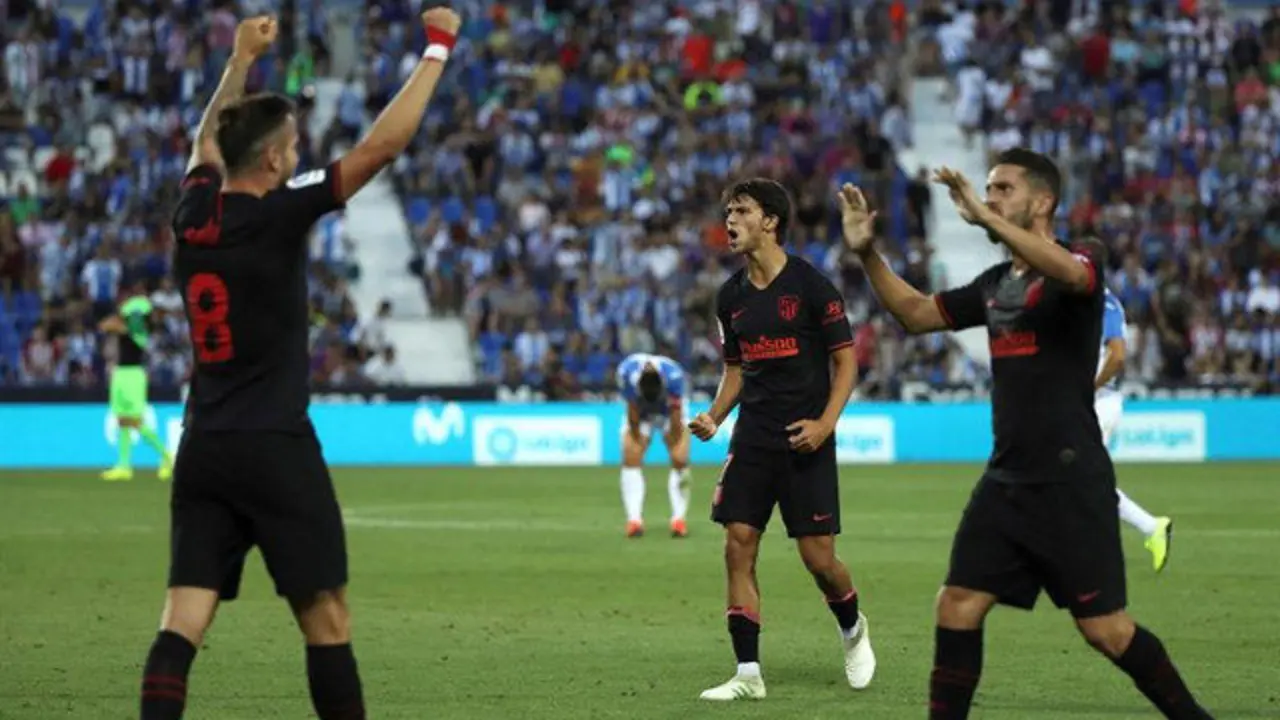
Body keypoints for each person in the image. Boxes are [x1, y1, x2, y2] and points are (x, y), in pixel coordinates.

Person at [138, 9, 460, 720]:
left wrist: (239, 62)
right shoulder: (281, 212)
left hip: (205, 446)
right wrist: (437, 48)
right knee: (327, 623)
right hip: (275, 447)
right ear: (278, 162)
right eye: (292, 147)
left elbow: (205, 146)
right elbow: (383, 147)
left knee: (181, 623)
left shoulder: (192, 217)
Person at [836, 149, 1213, 719]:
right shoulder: (994, 285)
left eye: (1003, 189)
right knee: (957, 604)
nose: (990, 199)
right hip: (1007, 480)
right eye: (988, 190)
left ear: (1044, 202)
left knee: (1106, 631)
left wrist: (987, 220)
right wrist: (867, 254)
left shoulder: (1084, 258)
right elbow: (914, 313)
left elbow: (1073, 273)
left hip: (1069, 479)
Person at [688, 178, 875, 701]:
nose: (730, 221)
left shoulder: (812, 288)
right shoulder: (731, 298)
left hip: (806, 440)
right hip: (752, 441)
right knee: (737, 546)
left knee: (820, 562)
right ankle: (748, 673)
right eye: (728, 211)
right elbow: (736, 369)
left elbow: (846, 364)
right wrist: (716, 416)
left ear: (770, 221)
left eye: (741, 211)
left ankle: (852, 626)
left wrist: (824, 425)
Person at [1095, 281, 1174, 571]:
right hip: (1094, 402)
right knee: (1079, 480)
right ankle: (1151, 526)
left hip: (1097, 403)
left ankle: (1149, 526)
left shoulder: (1103, 304)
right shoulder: (1097, 301)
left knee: (1079, 481)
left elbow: (1117, 356)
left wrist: (1087, 387)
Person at [99, 279, 174, 482]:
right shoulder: (133, 323)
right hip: (121, 373)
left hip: (133, 375)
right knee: (122, 419)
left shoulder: (139, 331)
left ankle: (167, 456)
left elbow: (108, 325)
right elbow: (108, 325)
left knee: (134, 421)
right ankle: (124, 466)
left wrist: (121, 318)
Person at [615, 352, 692, 538]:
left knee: (679, 458)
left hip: (668, 412)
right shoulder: (626, 373)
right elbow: (632, 413)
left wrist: (674, 442)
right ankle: (634, 520)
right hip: (641, 411)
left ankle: (678, 519)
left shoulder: (675, 377)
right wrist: (637, 437)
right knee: (631, 455)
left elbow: (675, 419)